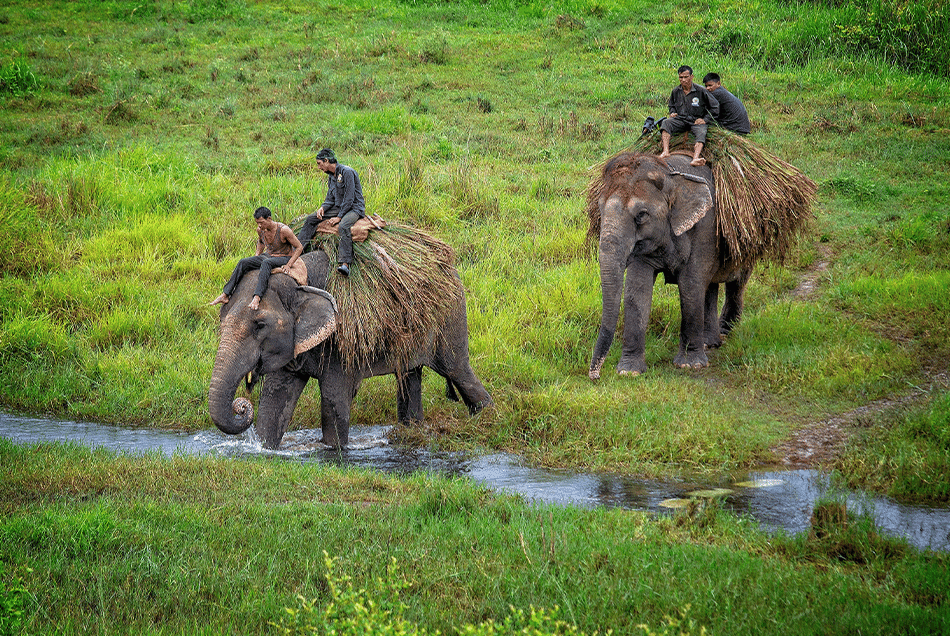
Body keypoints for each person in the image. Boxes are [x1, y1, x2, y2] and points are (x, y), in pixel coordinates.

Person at [209, 206, 304, 310]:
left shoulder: (283, 230)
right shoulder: (260, 230)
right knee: (243, 262)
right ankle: (225, 294)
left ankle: (257, 297)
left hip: (283, 257)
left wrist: (288, 265)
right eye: (257, 223)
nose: (259, 225)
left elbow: (299, 247)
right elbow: (260, 242)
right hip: (268, 255)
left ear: (269, 219)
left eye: (261, 222)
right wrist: (256, 256)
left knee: (266, 263)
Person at [296, 148, 366, 276]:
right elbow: (330, 198)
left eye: (319, 163)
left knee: (344, 226)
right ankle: (298, 250)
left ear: (326, 161)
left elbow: (349, 198)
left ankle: (345, 264)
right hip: (339, 207)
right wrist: (323, 207)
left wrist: (339, 217)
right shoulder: (331, 177)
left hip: (353, 208)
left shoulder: (347, 172)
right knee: (311, 219)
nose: (319, 167)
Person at [659, 65, 720, 167]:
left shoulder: (701, 91)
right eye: (681, 77)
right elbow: (671, 105)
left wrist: (705, 120)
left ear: (692, 76)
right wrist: (672, 112)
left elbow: (715, 106)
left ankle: (695, 157)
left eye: (686, 77)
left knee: (701, 132)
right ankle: (666, 151)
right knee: (666, 123)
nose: (683, 80)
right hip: (681, 119)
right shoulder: (676, 91)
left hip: (696, 121)